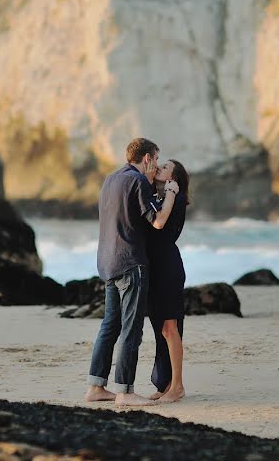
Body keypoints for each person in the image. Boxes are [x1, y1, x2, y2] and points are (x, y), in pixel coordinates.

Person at [83, 138, 179, 406]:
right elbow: (158, 221)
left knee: (109, 327)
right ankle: (125, 391)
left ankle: (96, 387)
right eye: (156, 160)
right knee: (131, 330)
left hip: (107, 262)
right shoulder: (136, 181)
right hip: (130, 263)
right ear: (147, 158)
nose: (157, 165)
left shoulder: (111, 179)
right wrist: (170, 192)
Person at [146, 159, 189, 403]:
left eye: (164, 167)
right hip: (156, 268)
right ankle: (165, 384)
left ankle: (178, 387)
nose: (158, 168)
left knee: (171, 328)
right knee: (162, 329)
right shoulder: (162, 197)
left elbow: (161, 225)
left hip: (168, 268)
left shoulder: (177, 198)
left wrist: (168, 191)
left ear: (174, 178)